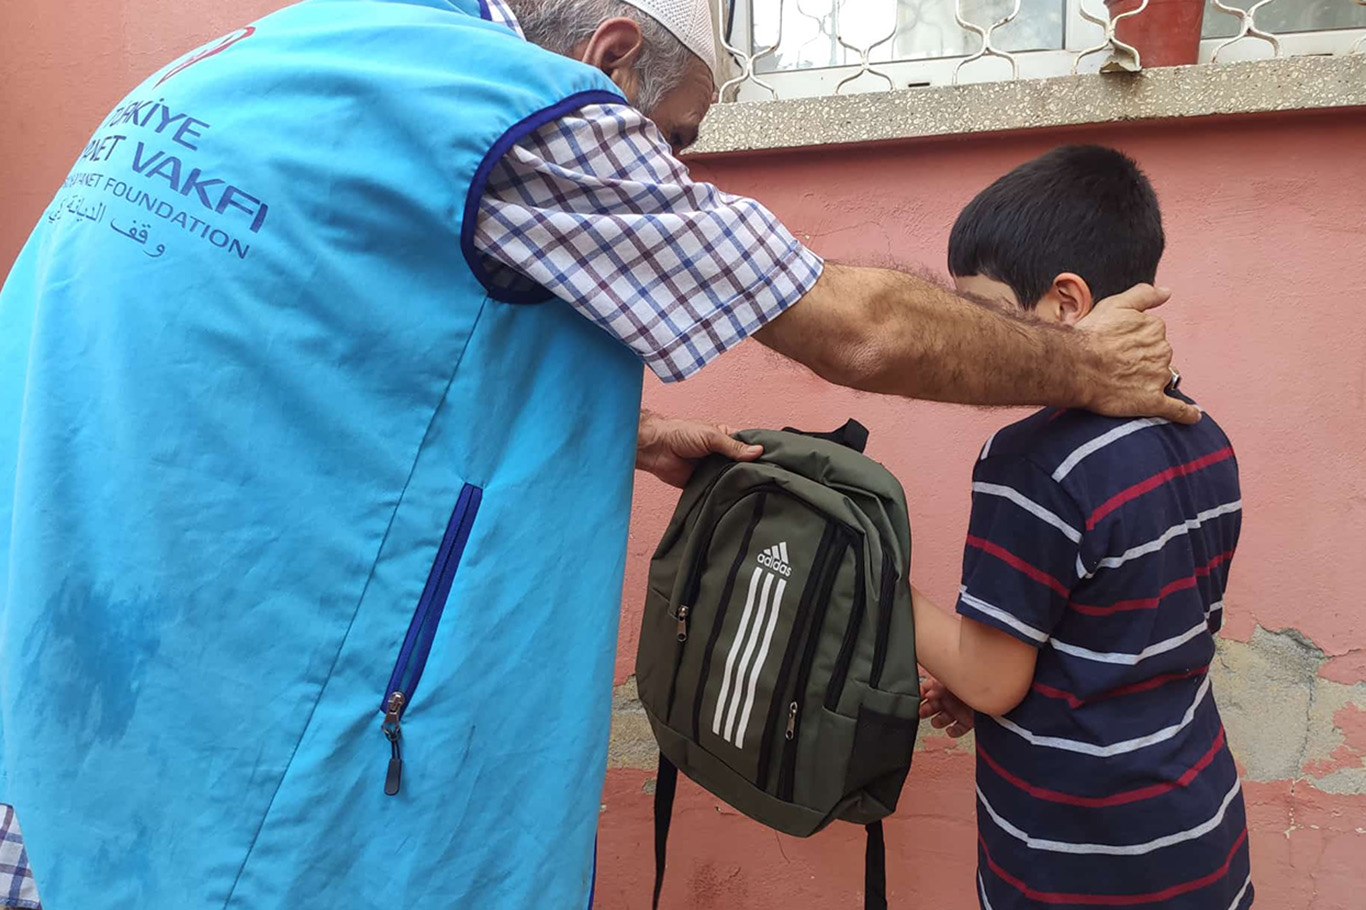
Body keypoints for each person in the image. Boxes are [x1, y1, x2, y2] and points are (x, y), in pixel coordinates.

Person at [0, 0, 1193, 905]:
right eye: (675, 140)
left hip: (64, 704)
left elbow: (317, 353)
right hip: (263, 760)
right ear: (611, 58)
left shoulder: (258, 58)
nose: (676, 174)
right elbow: (861, 327)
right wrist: (1089, 367)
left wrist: (639, 432)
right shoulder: (525, 109)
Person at [912, 145, 1251, 910]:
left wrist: (878, 584)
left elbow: (991, 680)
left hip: (1079, 863)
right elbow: (1124, 632)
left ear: (1066, 303)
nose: (970, 338)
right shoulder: (1204, 434)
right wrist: (992, 680)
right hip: (1198, 833)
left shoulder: (1033, 462)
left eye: (981, 312)